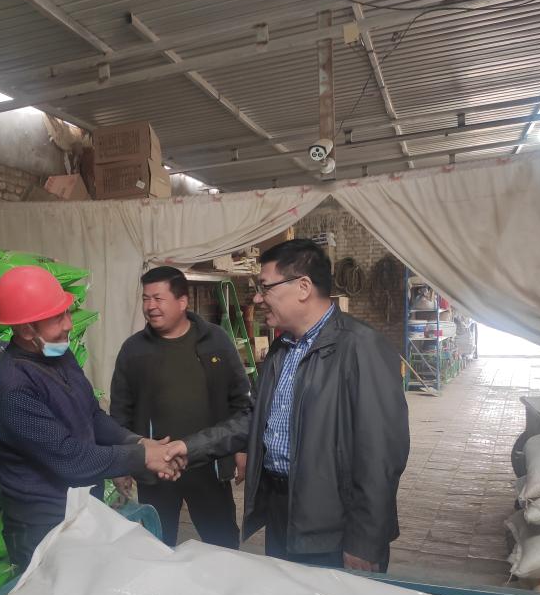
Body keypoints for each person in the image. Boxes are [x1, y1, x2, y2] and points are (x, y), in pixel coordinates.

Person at [164, 239, 409, 572]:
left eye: (265, 287)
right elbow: (254, 421)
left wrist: (365, 541)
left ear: (303, 287)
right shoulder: (282, 349)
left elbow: (381, 455)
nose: (257, 298)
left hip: (333, 525)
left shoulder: (362, 348)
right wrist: (188, 447)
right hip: (282, 510)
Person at [0, 265, 182, 568]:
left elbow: (91, 415)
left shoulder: (58, 354)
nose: (68, 324)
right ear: (25, 329)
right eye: (56, 318)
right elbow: (70, 459)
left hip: (83, 510)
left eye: (66, 313)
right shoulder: (11, 386)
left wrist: (138, 442)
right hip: (44, 527)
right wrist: (141, 457)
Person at [110, 266, 251, 549]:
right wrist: (122, 462)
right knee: (157, 546)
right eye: (146, 298)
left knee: (223, 545)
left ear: (182, 301)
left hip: (208, 466)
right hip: (157, 471)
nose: (150, 306)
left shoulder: (215, 340)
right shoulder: (134, 350)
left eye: (158, 298)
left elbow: (240, 399)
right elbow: (121, 410)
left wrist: (242, 449)